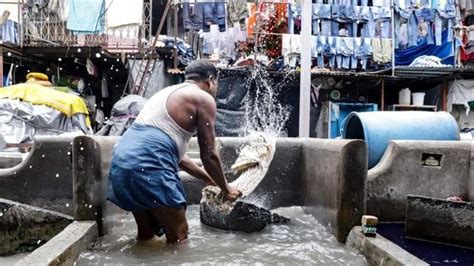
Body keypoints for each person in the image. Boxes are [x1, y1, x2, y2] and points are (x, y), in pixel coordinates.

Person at [107, 59, 242, 243]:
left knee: (146, 237)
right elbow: (209, 154)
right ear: (210, 80)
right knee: (179, 237)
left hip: (122, 163)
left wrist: (207, 178)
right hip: (148, 164)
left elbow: (176, 155)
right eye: (216, 84)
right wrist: (226, 188)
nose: (215, 90)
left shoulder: (165, 94)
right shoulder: (203, 98)